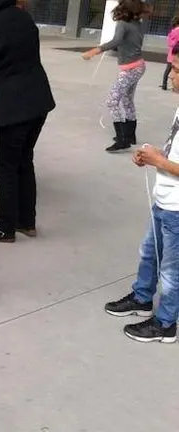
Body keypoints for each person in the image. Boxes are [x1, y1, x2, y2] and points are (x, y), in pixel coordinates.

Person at [104, 43, 179, 344]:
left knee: (172, 271)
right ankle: (142, 297)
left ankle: (166, 323)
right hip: (165, 200)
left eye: (177, 70)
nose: (171, 75)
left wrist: (159, 161)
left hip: (177, 209)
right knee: (149, 252)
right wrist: (155, 154)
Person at [0, 0, 55, 243]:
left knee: (7, 169)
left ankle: (4, 227)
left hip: (13, 107)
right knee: (24, 161)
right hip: (38, 100)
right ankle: (26, 221)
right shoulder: (22, 17)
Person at [83, 0, 149, 152]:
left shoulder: (123, 24)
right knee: (127, 100)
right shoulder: (137, 24)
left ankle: (122, 139)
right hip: (138, 66)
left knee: (112, 101)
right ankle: (130, 136)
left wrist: (94, 51)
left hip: (131, 69)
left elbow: (116, 41)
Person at [161, 16, 179, 91]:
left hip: (171, 53)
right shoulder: (178, 31)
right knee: (176, 70)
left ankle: (164, 84)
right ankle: (175, 86)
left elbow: (169, 42)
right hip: (176, 53)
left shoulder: (171, 31)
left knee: (168, 69)